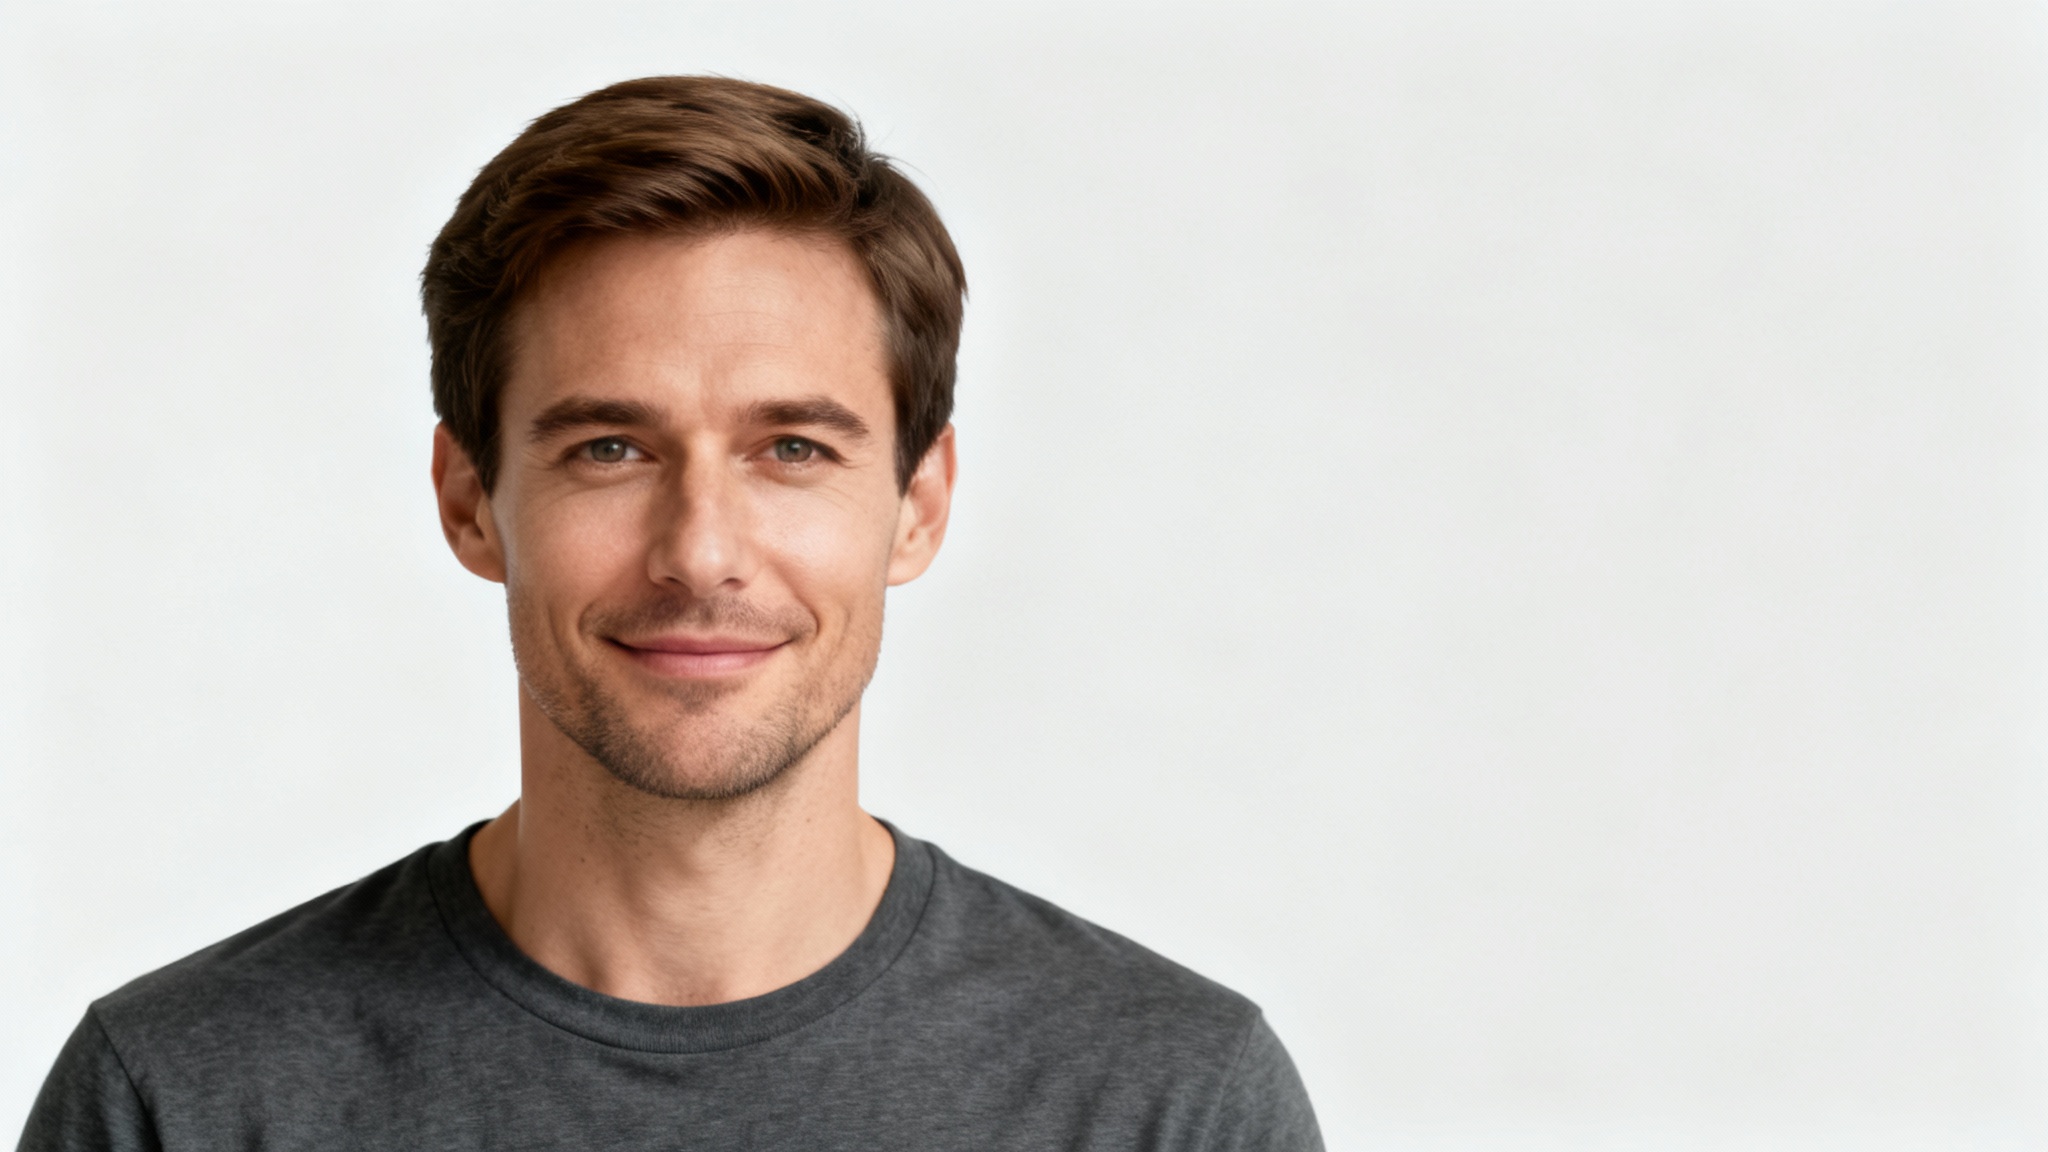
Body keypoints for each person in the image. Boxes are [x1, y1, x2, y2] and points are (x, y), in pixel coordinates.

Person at [18, 75, 1322, 1151]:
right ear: (471, 500)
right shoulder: (182, 1102)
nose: (700, 552)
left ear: (918, 504)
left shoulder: (1169, 1105)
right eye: (609, 450)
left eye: (794, 450)